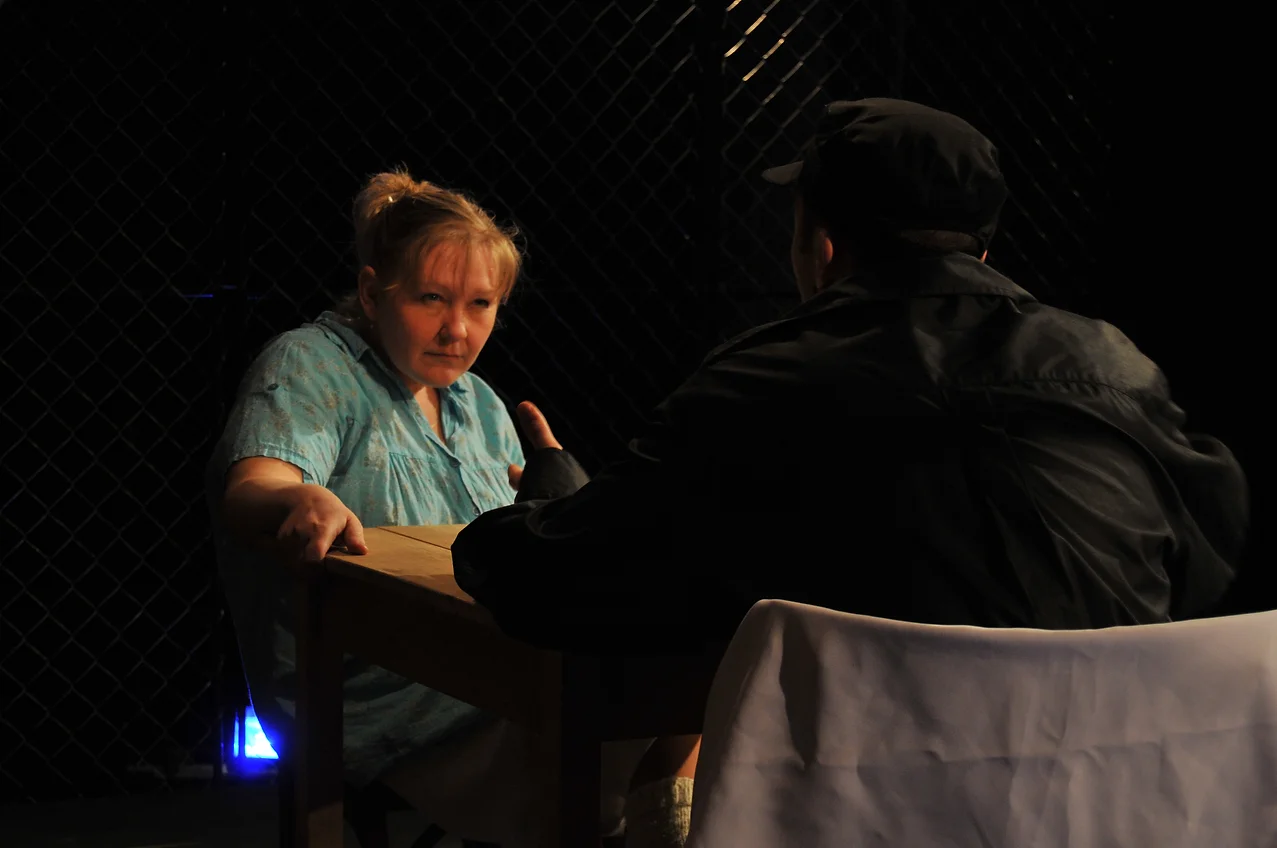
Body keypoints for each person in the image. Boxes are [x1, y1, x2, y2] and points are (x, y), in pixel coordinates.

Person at [450, 98, 1250, 844]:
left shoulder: (763, 382)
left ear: (821, 245)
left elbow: (554, 586)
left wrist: (548, 507)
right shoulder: (1116, 368)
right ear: (981, 246)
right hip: (1118, 811)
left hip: (862, 819)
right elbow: (1207, 565)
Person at [206, 168, 653, 846]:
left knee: (687, 697)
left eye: (481, 304)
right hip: (378, 690)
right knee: (618, 740)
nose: (457, 330)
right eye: (431, 299)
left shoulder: (479, 403)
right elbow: (251, 487)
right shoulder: (311, 365)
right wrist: (299, 496)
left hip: (495, 670)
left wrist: (565, 501)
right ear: (371, 291)